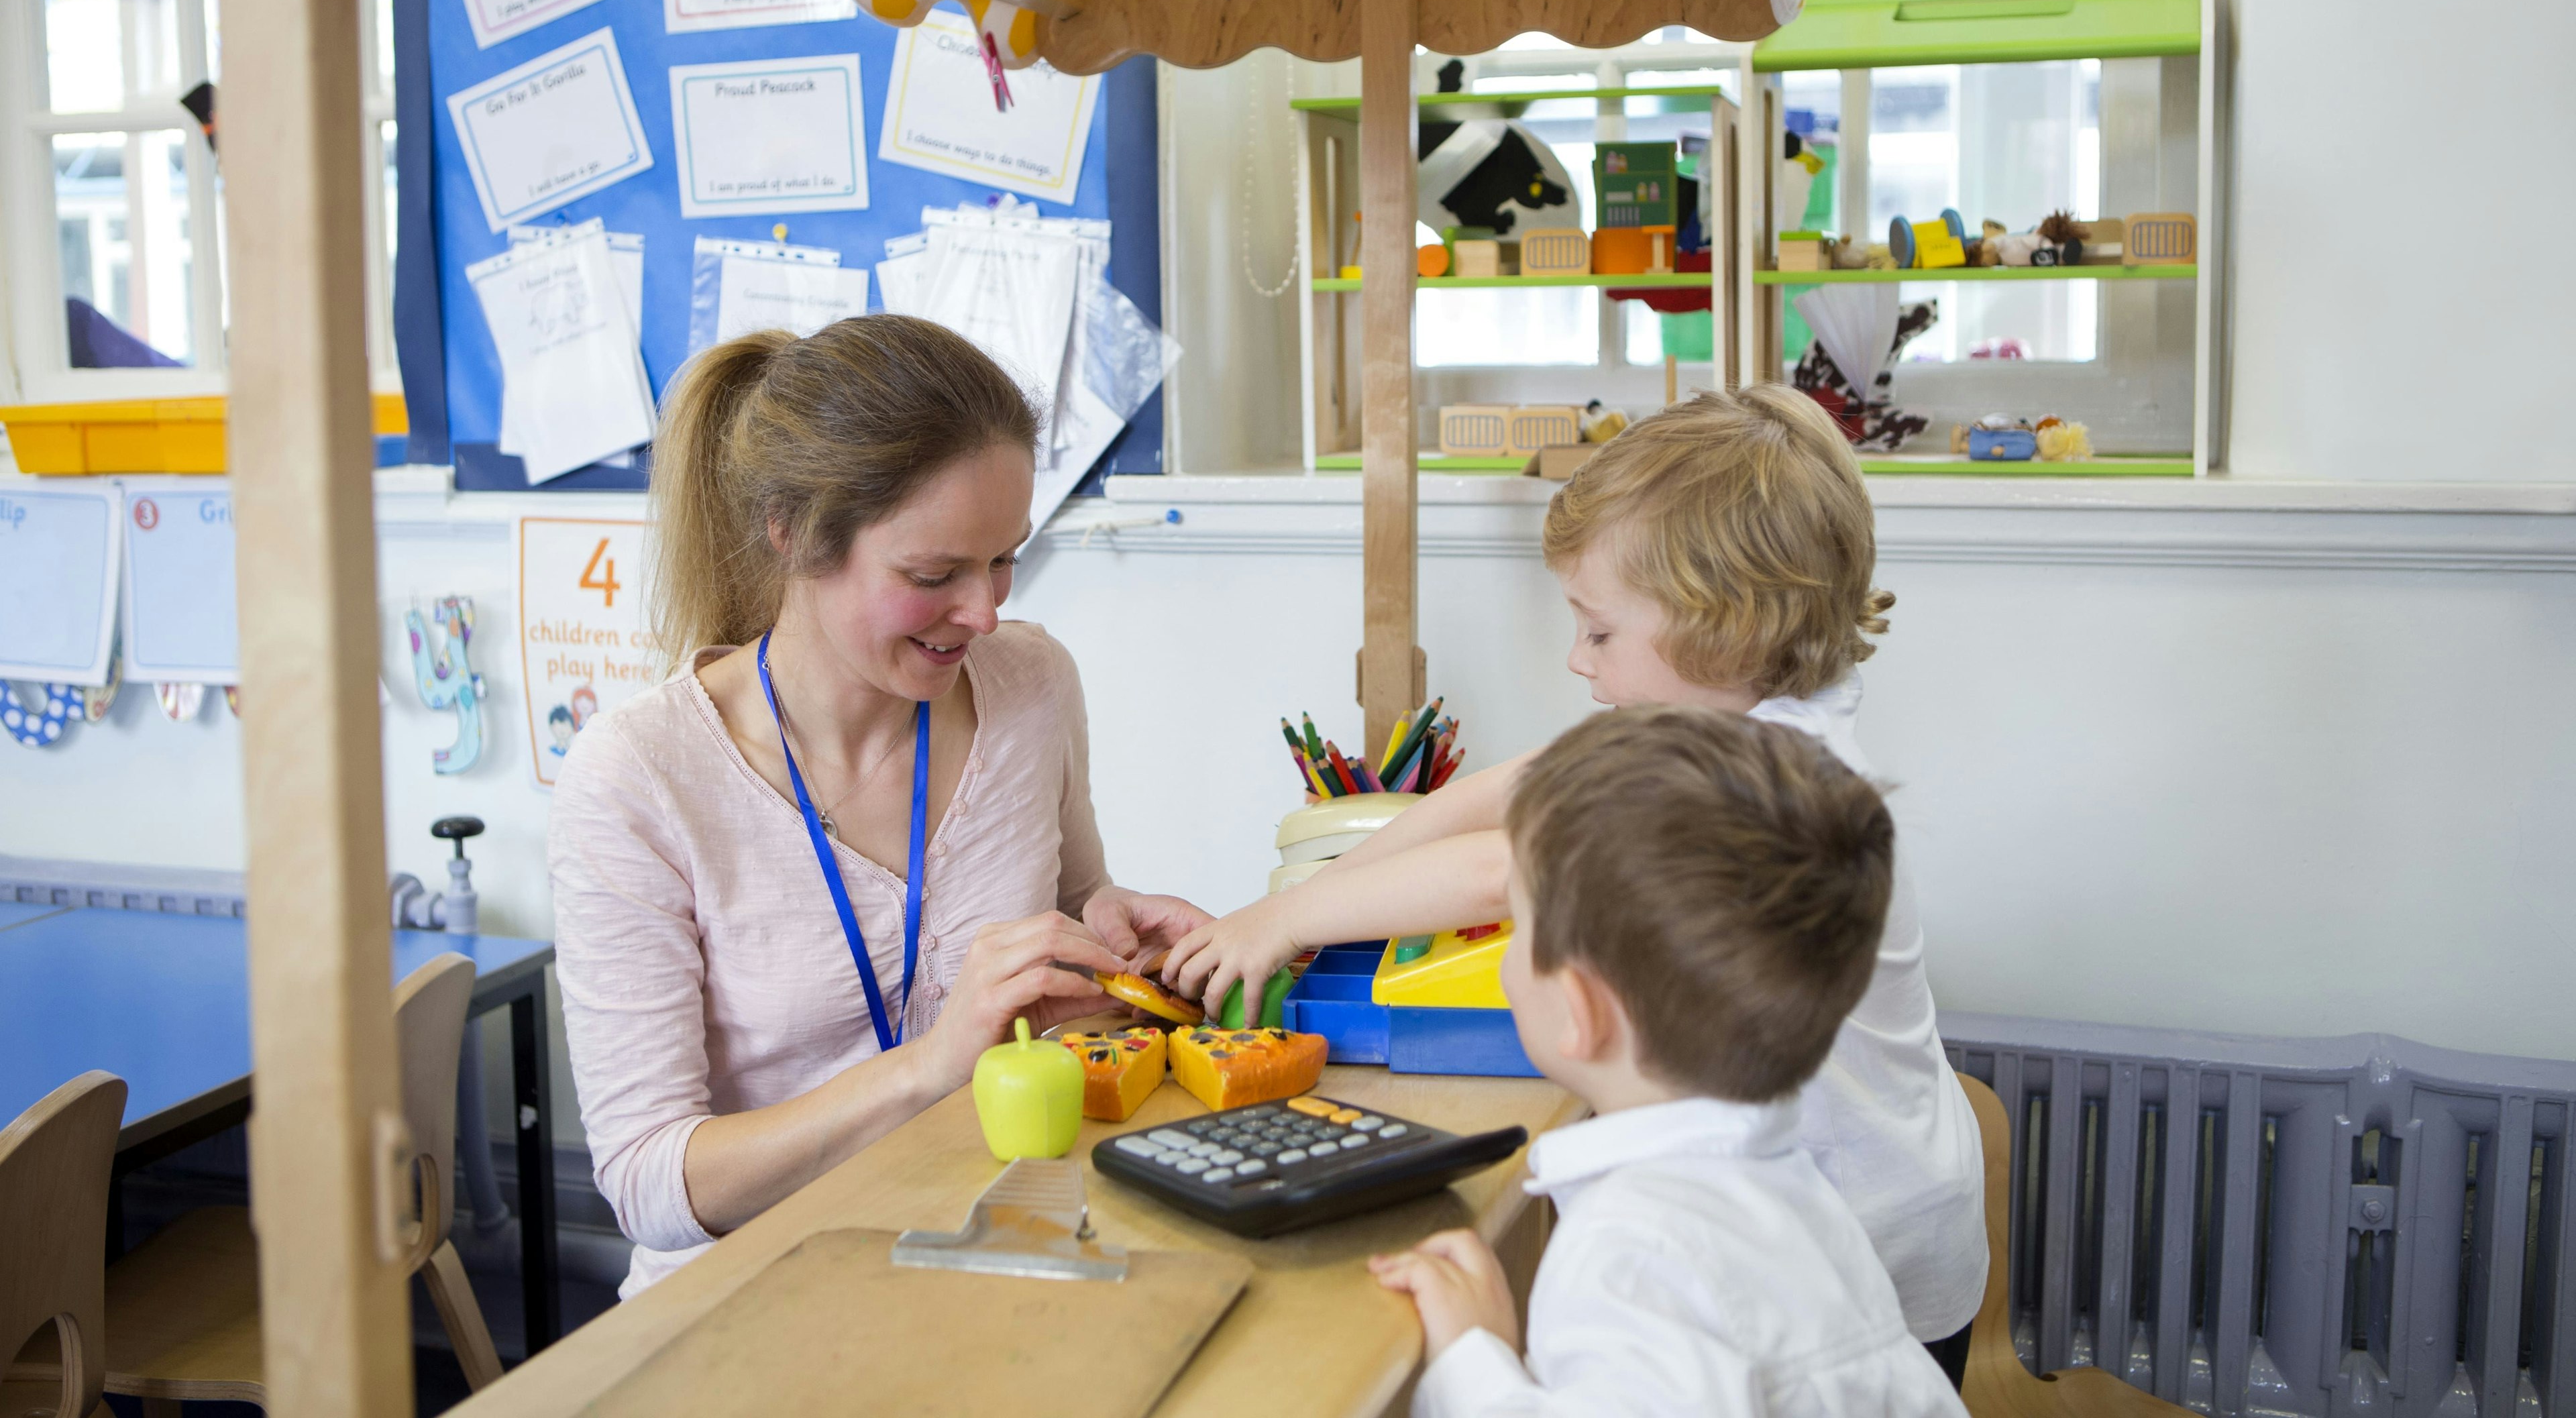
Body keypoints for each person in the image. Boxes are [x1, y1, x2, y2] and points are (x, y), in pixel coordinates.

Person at [1164, 386, 1986, 1370]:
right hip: (1809, 1214)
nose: (1576, 658)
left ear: (1720, 630)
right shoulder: (1727, 713)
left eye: (1600, 632)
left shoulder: (1762, 784)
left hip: (1848, 1253)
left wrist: (1294, 918)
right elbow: (1513, 791)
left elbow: (1498, 868)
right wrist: (1292, 906)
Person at [547, 315, 1208, 1297]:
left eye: (1004, 560)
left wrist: (1113, 944)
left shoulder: (1030, 683)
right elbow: (648, 1182)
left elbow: (1074, 912)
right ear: (794, 533)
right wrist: (931, 1065)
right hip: (755, 1307)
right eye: (934, 575)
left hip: (997, 1257)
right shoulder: (637, 776)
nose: (983, 612)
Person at [1371, 706, 1971, 1418]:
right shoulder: (1798, 1199)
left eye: (1518, 927)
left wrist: (1476, 1355)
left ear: (1581, 1010)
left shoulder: (1632, 1251)